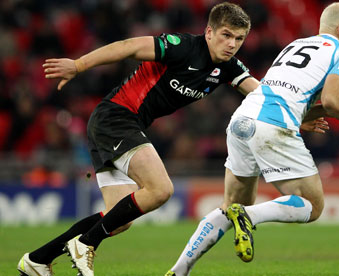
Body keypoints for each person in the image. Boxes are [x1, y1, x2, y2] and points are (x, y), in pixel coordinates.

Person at [17, 3, 259, 276]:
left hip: (115, 124)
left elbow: (262, 97)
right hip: (117, 117)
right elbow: (128, 46)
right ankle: (86, 243)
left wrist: (299, 119)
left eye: (239, 39)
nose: (232, 44)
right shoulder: (183, 46)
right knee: (160, 189)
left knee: (118, 219)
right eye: (226, 35)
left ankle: (37, 260)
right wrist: (78, 65)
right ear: (209, 32)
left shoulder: (229, 67)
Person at [165, 2, 339, 276]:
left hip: (242, 119)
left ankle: (178, 271)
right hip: (273, 125)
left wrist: (307, 115)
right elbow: (333, 99)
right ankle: (250, 217)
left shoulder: (296, 44)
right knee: (312, 205)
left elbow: (296, 95)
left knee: (230, 206)